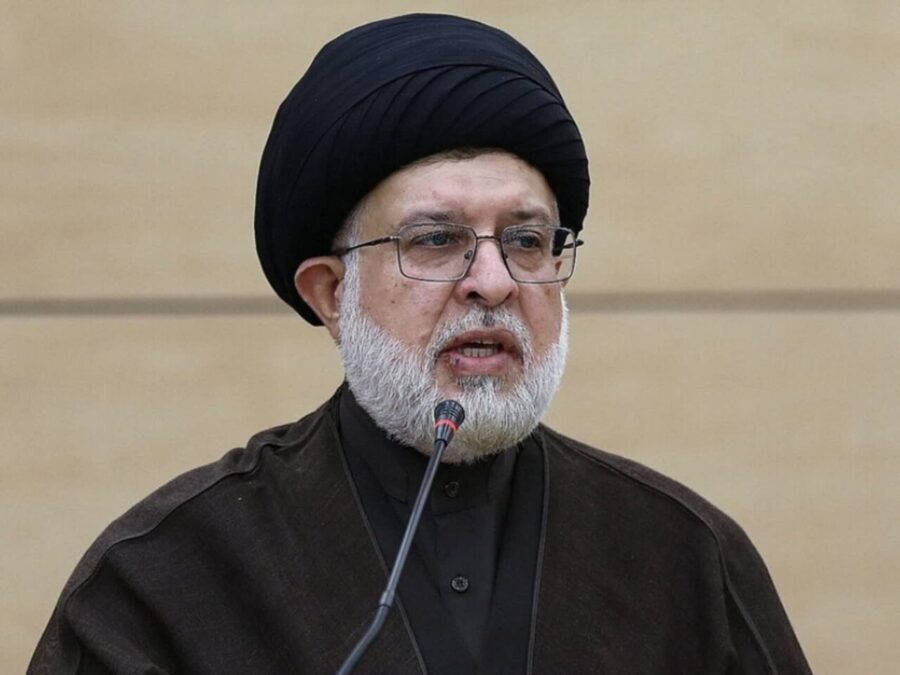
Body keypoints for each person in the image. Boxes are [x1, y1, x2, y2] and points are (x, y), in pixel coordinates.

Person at [29, 14, 811, 675]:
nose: (493, 281)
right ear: (331, 293)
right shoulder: (166, 576)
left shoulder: (684, 556)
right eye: (436, 240)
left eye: (527, 240)